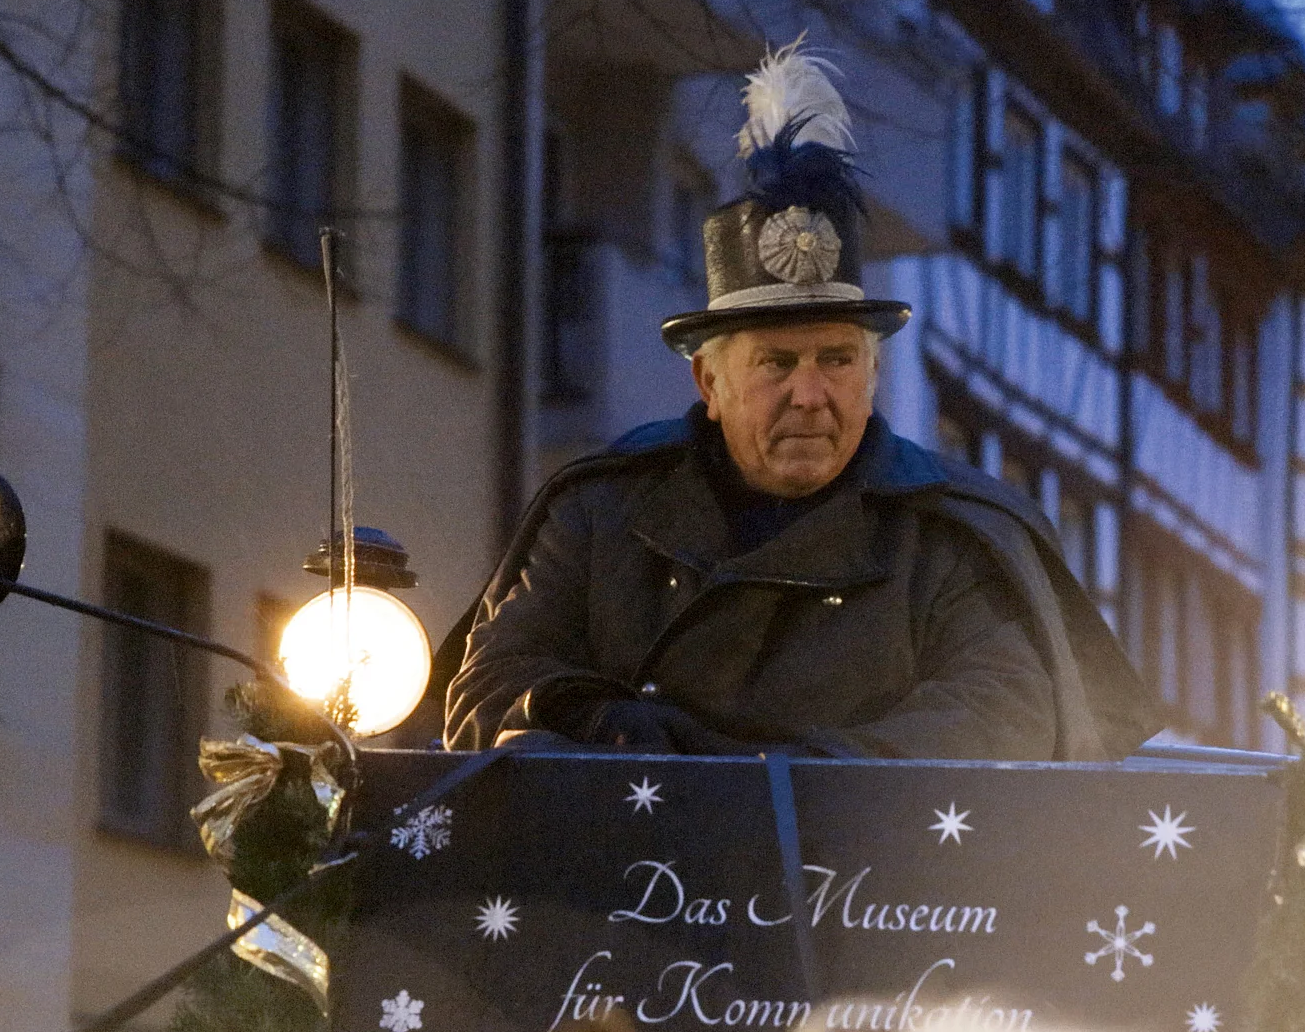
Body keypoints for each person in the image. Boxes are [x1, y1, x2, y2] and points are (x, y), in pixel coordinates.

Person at [438, 44, 1155, 761]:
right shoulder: (597, 512)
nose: (810, 396)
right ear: (709, 385)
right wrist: (586, 714)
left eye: (837, 360)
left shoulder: (952, 537)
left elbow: (1004, 714)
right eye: (776, 363)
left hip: (871, 870)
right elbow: (488, 687)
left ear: (872, 373)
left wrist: (791, 782)